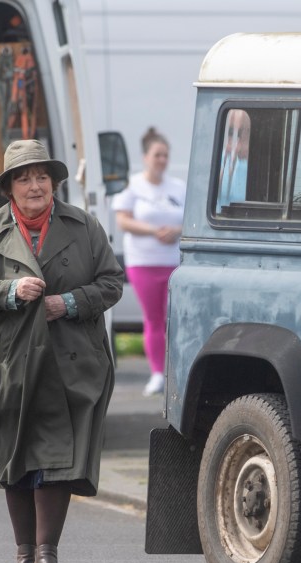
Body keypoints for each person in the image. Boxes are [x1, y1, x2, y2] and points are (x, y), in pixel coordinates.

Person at [0, 139, 123, 563]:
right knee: (16, 454)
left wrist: (64, 303)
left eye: (42, 176)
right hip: (8, 361)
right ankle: (23, 558)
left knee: (57, 457)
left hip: (71, 360)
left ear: (54, 182)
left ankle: (48, 558)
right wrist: (8, 293)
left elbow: (112, 283)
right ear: (9, 187)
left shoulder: (84, 226)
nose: (34, 185)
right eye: (24, 178)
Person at [112, 128, 185, 396]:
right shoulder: (132, 186)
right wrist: (153, 231)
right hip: (143, 262)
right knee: (153, 319)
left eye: (165, 155)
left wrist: (175, 231)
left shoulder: (178, 187)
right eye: (157, 155)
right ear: (145, 157)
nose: (162, 160)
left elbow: (190, 219)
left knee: (176, 320)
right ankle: (157, 373)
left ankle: (178, 372)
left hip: (174, 262)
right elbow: (123, 220)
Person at [216, 109, 251, 209]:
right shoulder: (220, 160)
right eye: (231, 132)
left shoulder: (260, 165)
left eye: (239, 133)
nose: (235, 140)